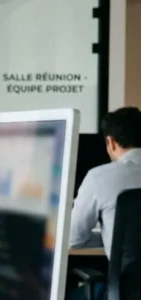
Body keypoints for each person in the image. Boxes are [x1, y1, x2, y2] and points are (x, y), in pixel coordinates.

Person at [68, 107, 141, 300]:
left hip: (126, 293)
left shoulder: (98, 177)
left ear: (110, 141)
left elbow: (73, 238)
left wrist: (112, 235)